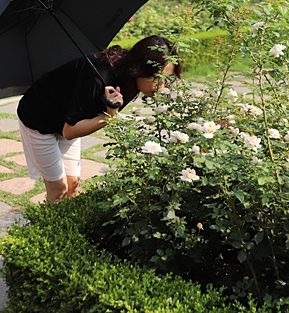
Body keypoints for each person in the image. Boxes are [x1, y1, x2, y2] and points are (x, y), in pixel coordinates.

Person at [17, 35, 181, 203]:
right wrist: (109, 114)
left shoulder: (129, 78)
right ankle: (50, 227)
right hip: (39, 117)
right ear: (140, 68)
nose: (162, 86)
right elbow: (70, 131)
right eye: (156, 78)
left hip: (69, 114)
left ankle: (74, 227)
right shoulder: (100, 77)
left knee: (73, 186)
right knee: (59, 189)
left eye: (166, 79)